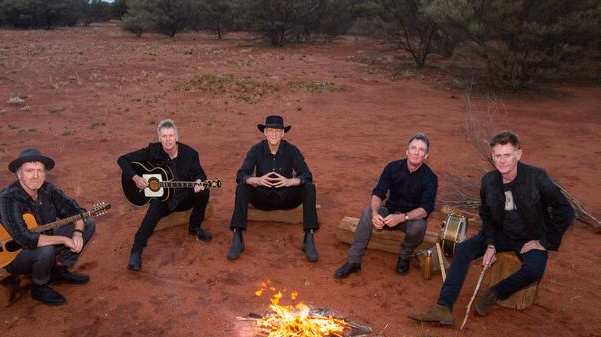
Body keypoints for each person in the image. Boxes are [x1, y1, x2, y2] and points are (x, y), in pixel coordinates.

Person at [409, 130, 574, 325]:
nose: (502, 161)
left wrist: (544, 242)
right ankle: (443, 307)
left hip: (530, 238)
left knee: (534, 270)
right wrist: (490, 243)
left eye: (507, 155)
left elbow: (565, 210)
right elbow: (486, 215)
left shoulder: (536, 177)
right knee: (464, 250)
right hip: (500, 233)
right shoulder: (489, 181)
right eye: (497, 156)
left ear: (518, 154)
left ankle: (495, 292)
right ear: (492, 156)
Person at [0, 148, 95, 305]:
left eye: (40, 170)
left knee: (87, 223)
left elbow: (77, 212)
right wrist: (63, 239)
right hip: (12, 253)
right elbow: (25, 238)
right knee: (46, 249)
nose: (35, 175)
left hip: (40, 241)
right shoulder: (8, 198)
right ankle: (39, 287)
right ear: (19, 174)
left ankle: (57, 270)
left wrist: (78, 233)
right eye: (29, 170)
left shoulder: (48, 189)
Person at [334, 133, 438, 278]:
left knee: (419, 226)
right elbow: (378, 193)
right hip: (388, 212)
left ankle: (404, 256)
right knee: (367, 212)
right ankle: (354, 261)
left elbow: (425, 209)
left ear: (426, 155)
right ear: (406, 151)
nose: (416, 152)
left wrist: (402, 217)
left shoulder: (430, 178)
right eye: (413, 148)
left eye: (421, 150)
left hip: (409, 219)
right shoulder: (392, 168)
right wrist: (375, 213)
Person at [119, 119, 212, 271]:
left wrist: (199, 181)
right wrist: (135, 178)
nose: (168, 139)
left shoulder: (190, 154)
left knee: (204, 191)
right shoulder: (153, 150)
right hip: (164, 199)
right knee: (152, 213)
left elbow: (199, 172)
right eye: (164, 136)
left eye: (171, 135)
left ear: (177, 137)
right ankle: (136, 251)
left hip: (184, 198)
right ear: (159, 138)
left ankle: (195, 227)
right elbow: (122, 160)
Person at [226, 115, 320, 261]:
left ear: (283, 133)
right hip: (262, 197)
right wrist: (257, 180)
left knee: (309, 187)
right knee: (242, 187)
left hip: (286, 197)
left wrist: (290, 182)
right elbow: (241, 175)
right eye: (270, 130)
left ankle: (309, 238)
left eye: (278, 131)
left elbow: (306, 175)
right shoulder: (256, 150)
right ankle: (238, 238)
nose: (274, 134)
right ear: (265, 132)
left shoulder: (292, 150)